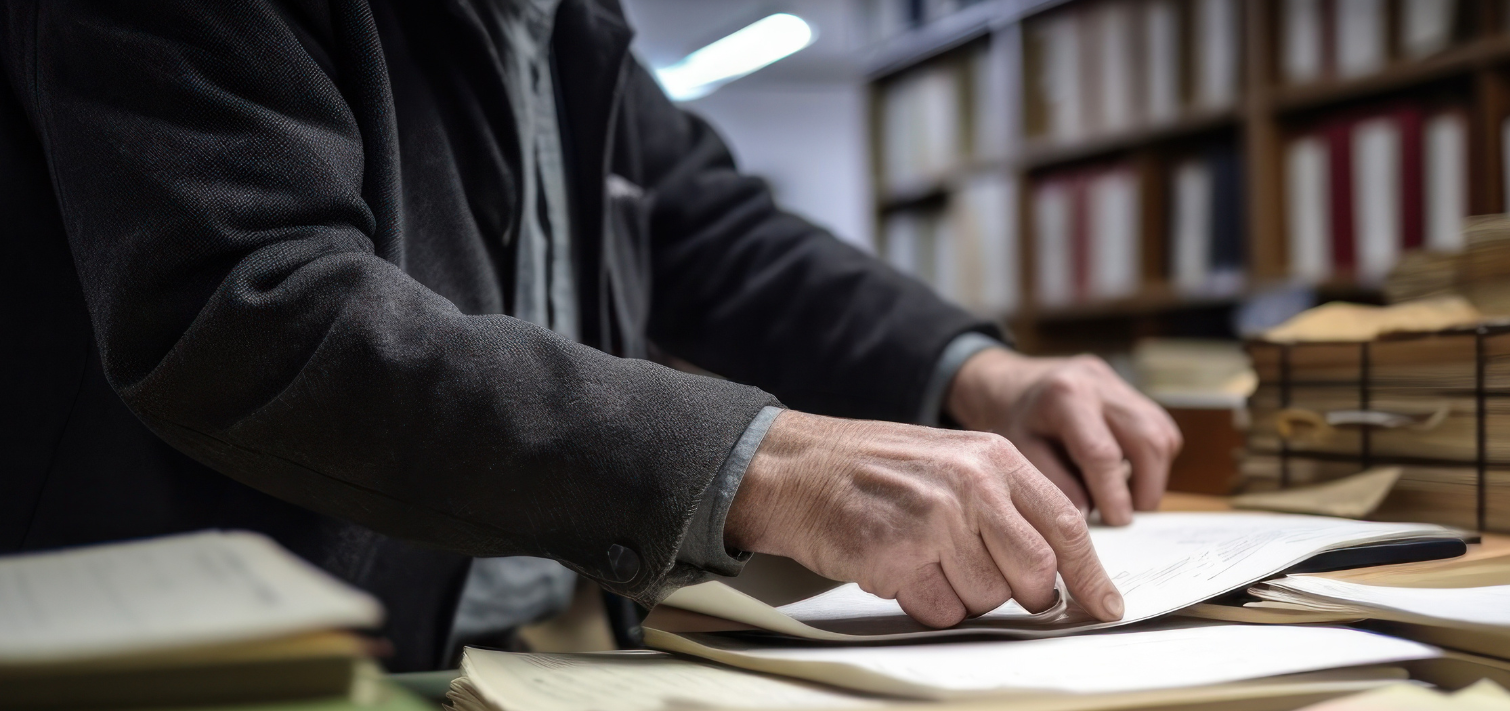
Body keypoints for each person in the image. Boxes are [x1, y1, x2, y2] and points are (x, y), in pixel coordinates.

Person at [0, 0, 1181, 670]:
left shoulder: (564, 28)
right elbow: (254, 314)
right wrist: (769, 464)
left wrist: (981, 371)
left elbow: (719, 239)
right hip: (214, 669)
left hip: (516, 646)